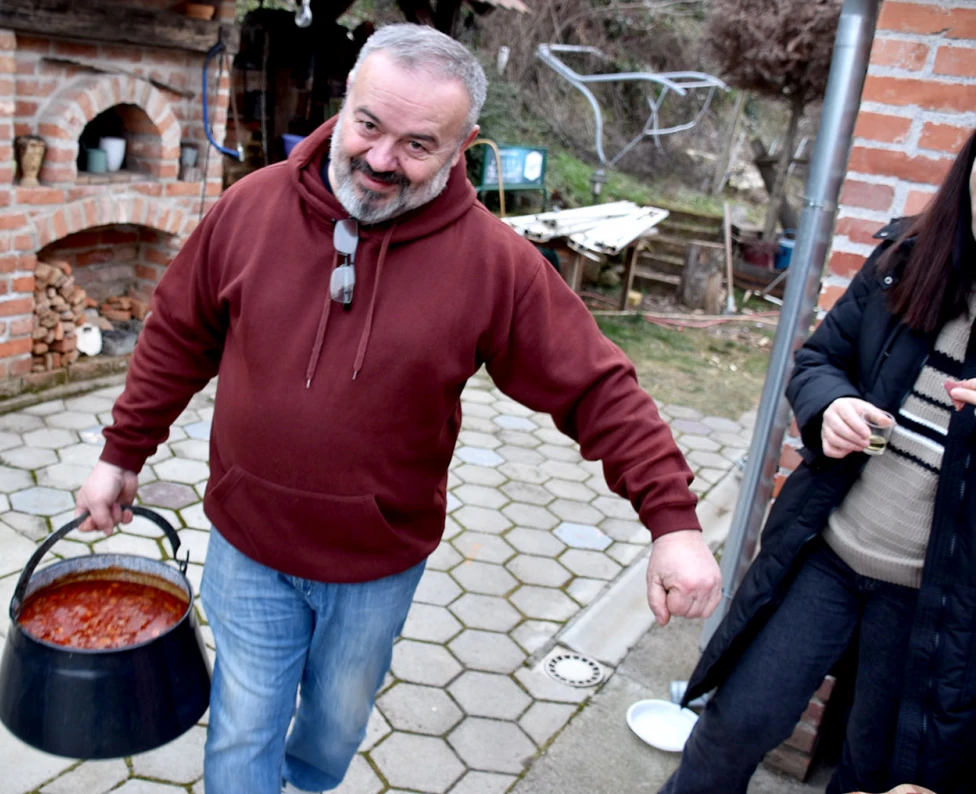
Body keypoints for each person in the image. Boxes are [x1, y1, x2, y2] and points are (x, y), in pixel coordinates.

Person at [77, 23, 721, 794]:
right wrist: (122, 454)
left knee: (337, 723)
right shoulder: (248, 209)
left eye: (418, 144)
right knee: (246, 716)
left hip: (375, 565)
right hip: (248, 542)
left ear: (465, 145)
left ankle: (308, 782)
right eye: (369, 125)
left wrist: (674, 522)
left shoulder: (495, 266)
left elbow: (597, 389)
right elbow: (177, 337)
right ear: (343, 104)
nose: (382, 160)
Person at [661, 129, 976, 794]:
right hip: (829, 553)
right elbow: (819, 359)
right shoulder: (906, 256)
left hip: (934, 603)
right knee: (735, 724)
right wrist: (830, 405)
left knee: (874, 775)